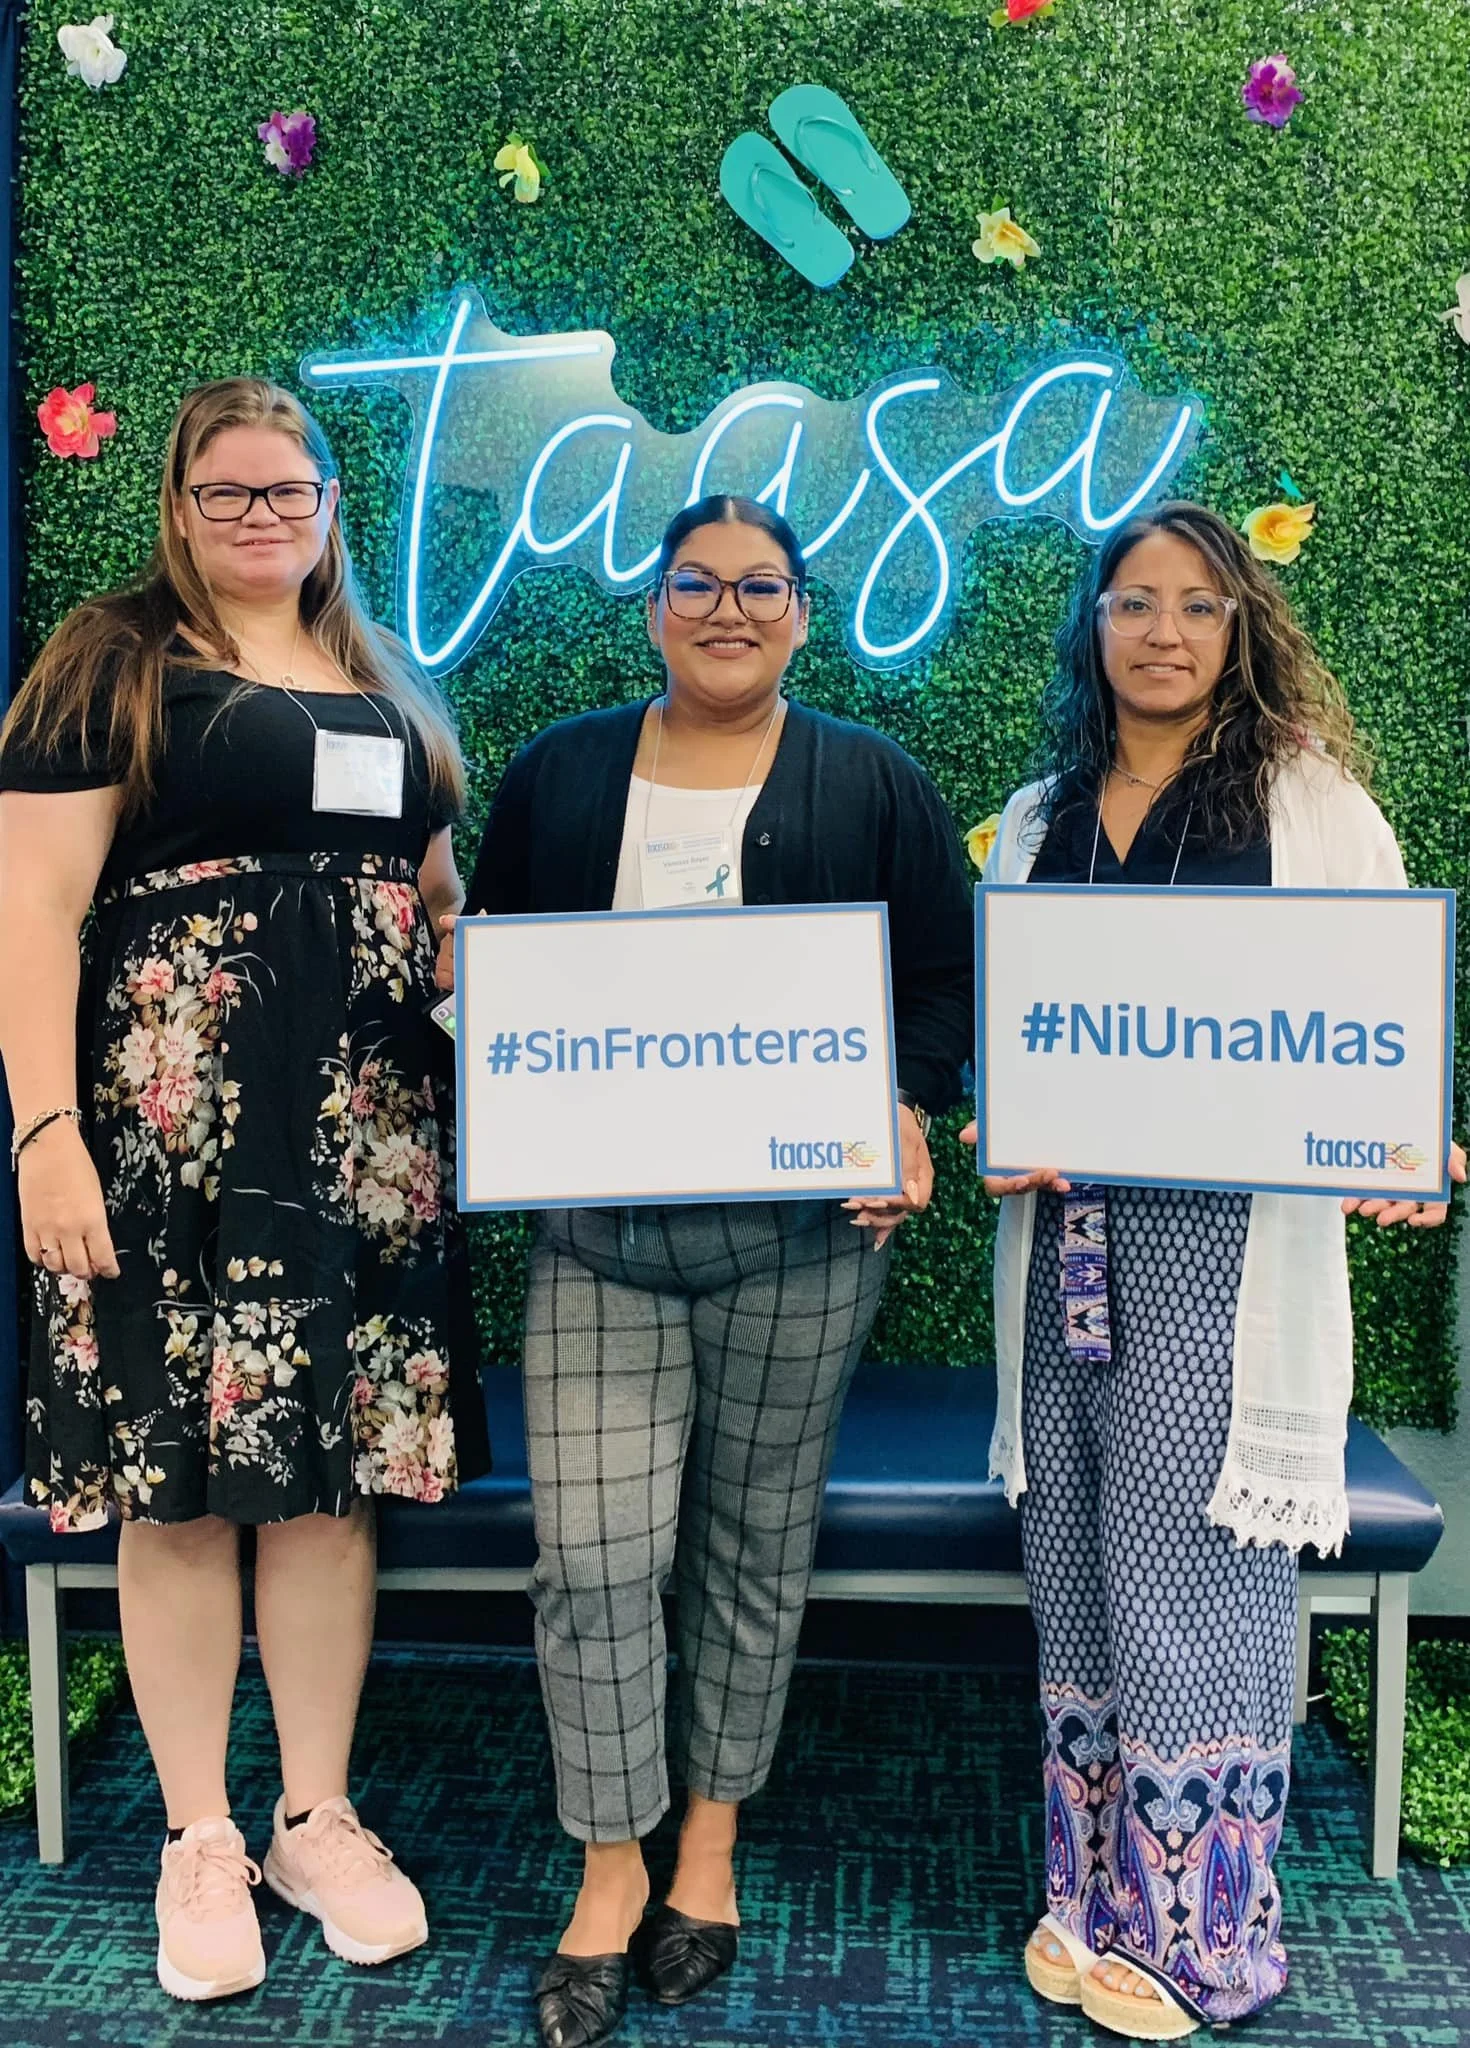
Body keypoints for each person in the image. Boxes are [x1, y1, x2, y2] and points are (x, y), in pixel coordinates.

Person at [439, 493, 973, 2048]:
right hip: (596, 1233)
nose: (725, 609)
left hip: (800, 1239)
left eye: (759, 586)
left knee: (751, 1548)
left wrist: (904, 1099)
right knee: (593, 1559)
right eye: (695, 583)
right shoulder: (558, 769)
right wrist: (483, 1002)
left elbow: (938, 979)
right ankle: (609, 1865)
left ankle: (709, 1849)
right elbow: (506, 979)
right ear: (654, 606)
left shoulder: (871, 779)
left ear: (803, 612)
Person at [0, 378, 489, 2002]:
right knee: (183, 1480)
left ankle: (314, 1815)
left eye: (293, 490)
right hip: (171, 1139)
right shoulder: (110, 664)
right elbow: (31, 915)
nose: (266, 517)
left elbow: (429, 902)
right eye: (231, 494)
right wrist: (42, 1133)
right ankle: (200, 1837)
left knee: (330, 1483)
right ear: (180, 506)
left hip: (364, 1139)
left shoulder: (380, 681)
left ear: (332, 501)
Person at [963, 500, 1464, 2040]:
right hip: (1067, 1245)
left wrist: (1398, 1138)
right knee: (1078, 1569)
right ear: (1092, 626)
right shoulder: (1044, 812)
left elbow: (1372, 1013)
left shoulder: (1311, 806)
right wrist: (997, 1129)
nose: (1162, 631)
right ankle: (1092, 1894)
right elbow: (1019, 1044)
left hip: (1225, 1251)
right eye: (1131, 603)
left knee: (1190, 1571)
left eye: (1195, 604)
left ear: (1239, 627)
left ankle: (1203, 1938)